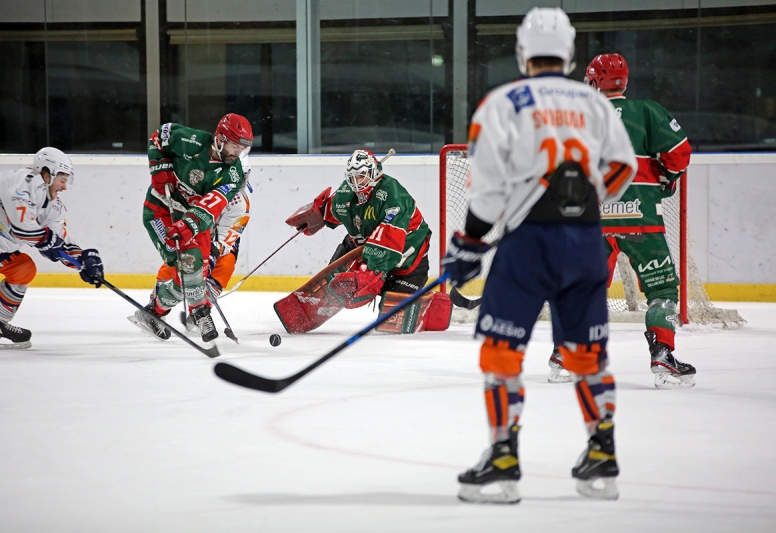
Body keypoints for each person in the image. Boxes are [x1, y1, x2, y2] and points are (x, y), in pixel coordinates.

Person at [441, 7, 637, 503]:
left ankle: (503, 462)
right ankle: (602, 457)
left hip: (528, 246)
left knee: (501, 351)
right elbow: (623, 166)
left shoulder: (502, 102)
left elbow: (486, 191)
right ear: (569, 53)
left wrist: (469, 243)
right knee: (587, 354)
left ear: (521, 51)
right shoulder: (595, 105)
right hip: (586, 242)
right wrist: (584, 199)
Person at [548, 53, 696, 389]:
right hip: (640, 219)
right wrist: (665, 177)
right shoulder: (647, 111)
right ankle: (662, 354)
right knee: (661, 289)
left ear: (593, 82)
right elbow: (679, 155)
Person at [282, 149, 451, 334]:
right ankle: (315, 303)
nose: (356, 183)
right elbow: (334, 210)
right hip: (363, 246)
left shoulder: (394, 196)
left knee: (392, 323)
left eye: (361, 176)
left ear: (374, 173)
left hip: (406, 261)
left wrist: (371, 274)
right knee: (333, 280)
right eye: (352, 177)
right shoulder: (346, 193)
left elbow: (388, 241)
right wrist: (317, 216)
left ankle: (428, 304)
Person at [131, 114, 252, 343]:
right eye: (235, 146)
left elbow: (211, 206)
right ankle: (199, 312)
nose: (238, 152)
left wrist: (191, 225)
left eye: (242, 149)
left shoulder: (233, 175)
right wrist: (159, 166)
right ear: (220, 138)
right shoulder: (191, 140)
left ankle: (155, 312)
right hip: (161, 210)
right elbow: (160, 137)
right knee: (186, 266)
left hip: (193, 222)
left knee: (191, 271)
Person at [0, 147, 104, 349]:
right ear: (47, 173)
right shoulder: (21, 180)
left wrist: (83, 261)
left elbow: (60, 241)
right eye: (62, 180)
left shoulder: (53, 205)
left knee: (23, 268)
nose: (65, 187)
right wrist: (48, 241)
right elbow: (22, 228)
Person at [151, 180, 252, 334]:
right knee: (180, 260)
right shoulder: (203, 181)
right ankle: (155, 308)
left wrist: (210, 259)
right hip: (193, 229)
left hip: (218, 239)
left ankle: (199, 314)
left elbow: (226, 238)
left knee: (224, 266)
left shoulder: (240, 203)